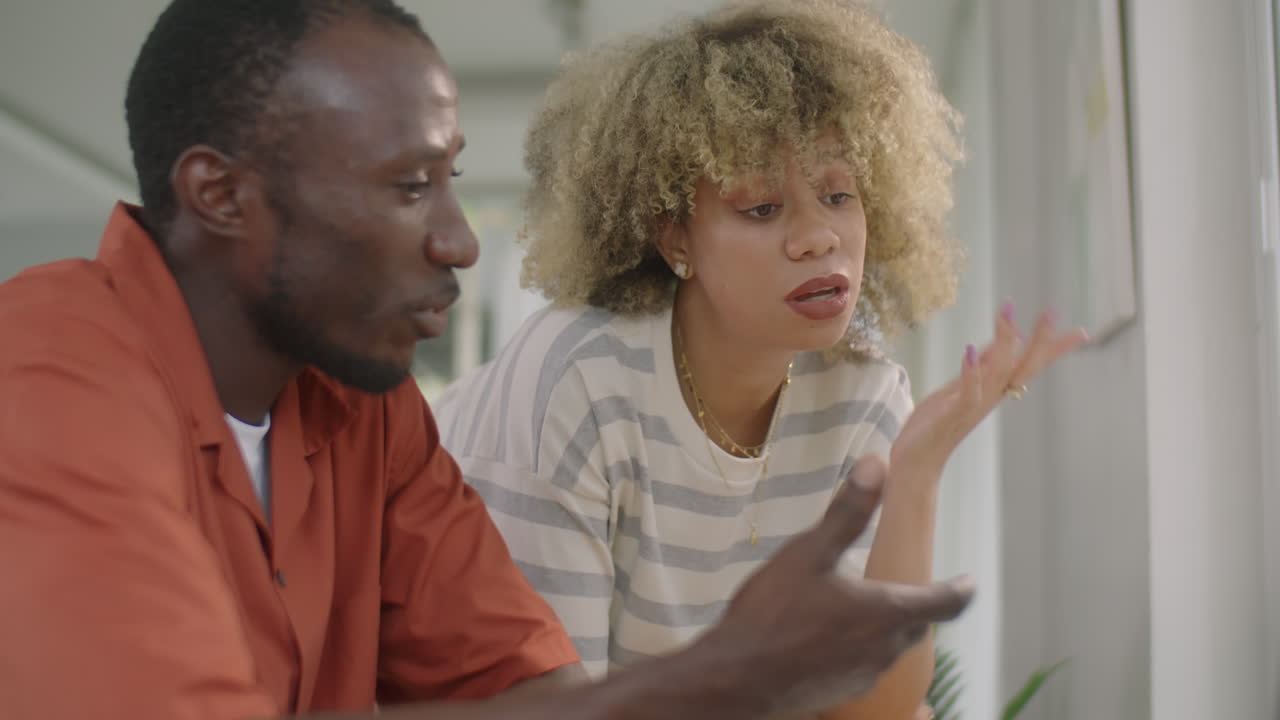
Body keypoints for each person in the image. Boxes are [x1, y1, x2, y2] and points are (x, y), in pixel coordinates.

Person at [0, 1, 975, 719]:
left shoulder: (365, 407)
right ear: (220, 195)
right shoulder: (47, 377)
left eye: (450, 180)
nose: (460, 242)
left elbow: (527, 690)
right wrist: (727, 669)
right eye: (408, 185)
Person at [433, 1, 1087, 718]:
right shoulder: (578, 380)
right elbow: (552, 710)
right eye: (760, 208)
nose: (818, 237)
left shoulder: (860, 394)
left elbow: (876, 714)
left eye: (839, 195)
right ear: (675, 238)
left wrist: (918, 471)